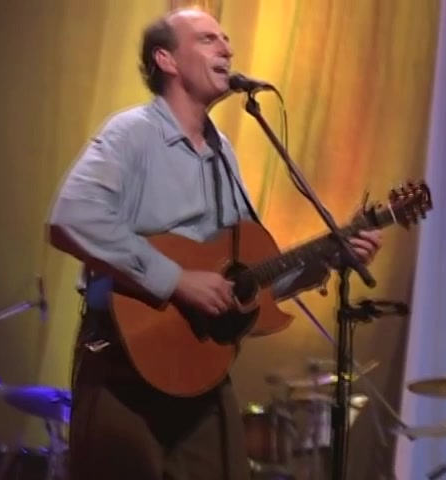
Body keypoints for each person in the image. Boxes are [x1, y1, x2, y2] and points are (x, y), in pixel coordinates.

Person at [46, 7, 383, 480]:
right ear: (166, 59)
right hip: (125, 367)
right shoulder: (133, 133)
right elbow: (72, 217)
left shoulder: (224, 153)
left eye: (226, 39)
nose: (227, 47)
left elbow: (247, 282)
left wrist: (327, 258)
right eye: (207, 39)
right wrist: (176, 280)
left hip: (200, 375)